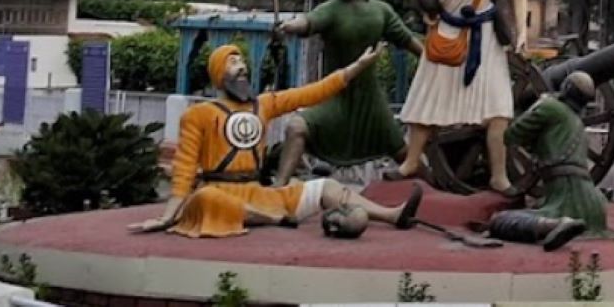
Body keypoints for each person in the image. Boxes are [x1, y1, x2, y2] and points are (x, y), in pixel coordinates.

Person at [128, 44, 422, 238]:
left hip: (259, 193)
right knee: (205, 198)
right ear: (218, 73)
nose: (241, 66)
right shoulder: (198, 115)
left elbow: (314, 92)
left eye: (242, 61)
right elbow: (184, 169)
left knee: (326, 187)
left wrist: (357, 67)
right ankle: (274, 220)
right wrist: (168, 217)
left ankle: (391, 215)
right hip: (219, 192)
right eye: (232, 62)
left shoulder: (264, 104)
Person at [386, 0, 528, 196]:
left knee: (499, 109)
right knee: (426, 100)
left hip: (487, 39)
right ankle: (411, 161)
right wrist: (425, 9)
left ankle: (499, 175)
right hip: (448, 34)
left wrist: (522, 33)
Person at [275, 0, 423, 185]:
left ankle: (442, 191)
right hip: (335, 96)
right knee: (296, 127)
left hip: (370, 101)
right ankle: (277, 190)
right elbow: (308, 22)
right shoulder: (331, 10)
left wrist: (435, 60)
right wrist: (289, 26)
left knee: (405, 155)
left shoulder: (381, 11)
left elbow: (407, 40)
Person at [483, 71, 614, 245]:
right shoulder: (577, 124)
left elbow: (511, 136)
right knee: (535, 209)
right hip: (594, 205)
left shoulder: (549, 107)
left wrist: (538, 105)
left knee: (500, 220)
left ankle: (556, 224)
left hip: (565, 202)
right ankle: (558, 224)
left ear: (566, 88)